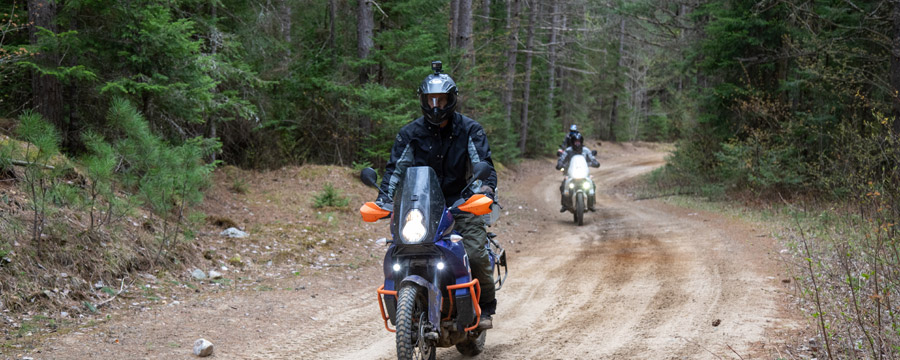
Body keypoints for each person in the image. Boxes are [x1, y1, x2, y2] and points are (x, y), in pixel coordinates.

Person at [374, 61, 498, 330]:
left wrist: (484, 191)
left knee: (475, 253)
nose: (436, 106)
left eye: (441, 100)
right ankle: (408, 308)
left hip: (460, 206)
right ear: (423, 100)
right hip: (419, 209)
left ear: (451, 100)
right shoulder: (410, 133)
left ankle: (486, 305)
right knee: (399, 253)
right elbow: (396, 170)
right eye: (431, 100)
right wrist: (383, 198)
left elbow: (483, 165)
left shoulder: (470, 130)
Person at [556, 132, 600, 212]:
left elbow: (592, 157)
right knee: (564, 185)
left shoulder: (586, 150)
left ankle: (591, 204)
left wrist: (595, 163)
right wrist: (560, 164)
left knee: (592, 184)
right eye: (575, 141)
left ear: (581, 142)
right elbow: (562, 158)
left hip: (583, 173)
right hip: (571, 173)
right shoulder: (568, 151)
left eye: (578, 141)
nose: (577, 143)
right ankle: (565, 204)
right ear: (572, 142)